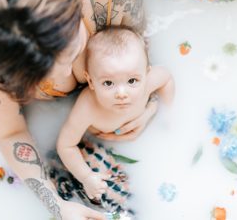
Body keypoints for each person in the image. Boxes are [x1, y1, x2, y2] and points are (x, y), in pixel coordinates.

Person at [0, 0, 158, 219]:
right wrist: (57, 205)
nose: (64, 72)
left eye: (70, 53)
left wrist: (150, 103)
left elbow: (140, 49)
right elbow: (10, 132)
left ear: (77, 6)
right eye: (39, 76)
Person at [57, 27, 175, 209]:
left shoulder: (149, 82)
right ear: (90, 82)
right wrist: (87, 177)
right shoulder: (88, 107)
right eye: (108, 83)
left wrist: (166, 113)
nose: (122, 93)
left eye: (132, 81)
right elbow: (65, 145)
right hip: (98, 142)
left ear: (146, 73)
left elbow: (166, 78)